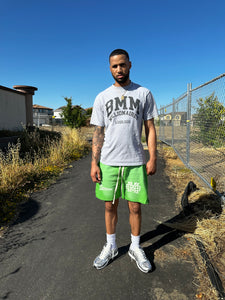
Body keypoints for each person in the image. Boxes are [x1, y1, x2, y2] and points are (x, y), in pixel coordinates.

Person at [90, 49, 158, 273]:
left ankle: (136, 247)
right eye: (114, 66)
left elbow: (150, 128)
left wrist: (152, 156)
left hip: (135, 161)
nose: (119, 69)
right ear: (110, 68)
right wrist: (94, 163)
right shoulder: (102, 97)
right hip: (109, 162)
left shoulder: (143, 93)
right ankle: (110, 246)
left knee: (135, 207)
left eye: (122, 65)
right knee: (109, 206)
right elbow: (98, 132)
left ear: (130, 64)